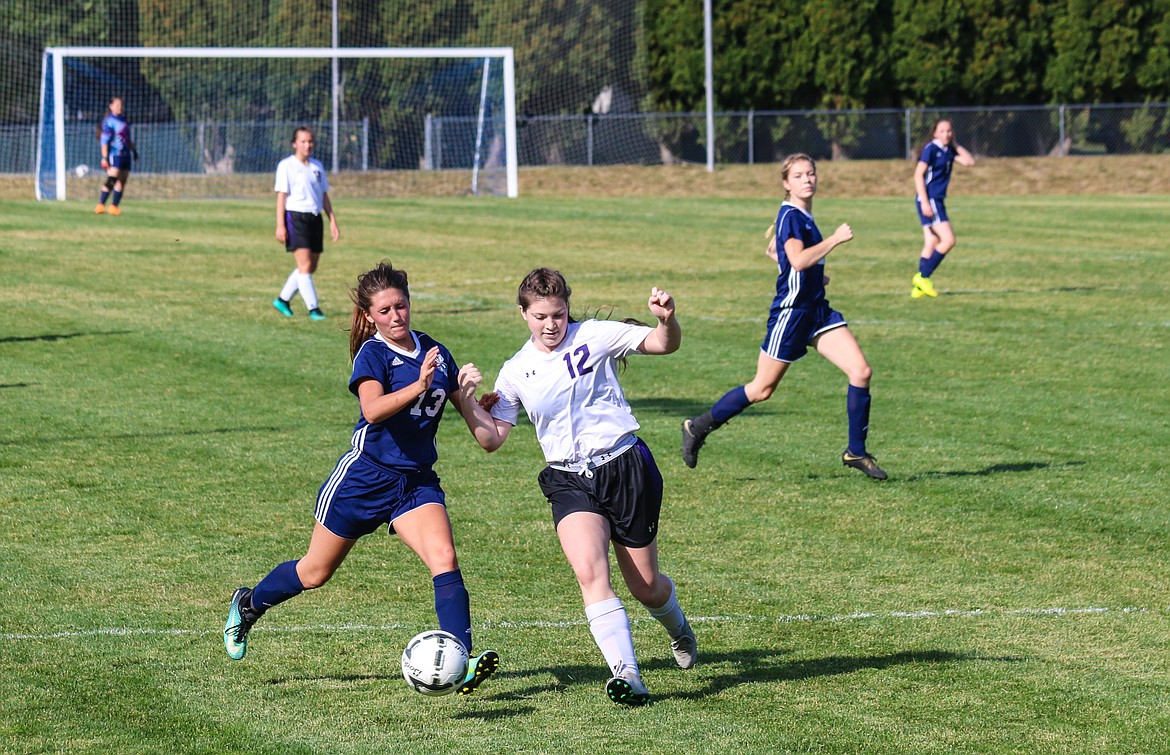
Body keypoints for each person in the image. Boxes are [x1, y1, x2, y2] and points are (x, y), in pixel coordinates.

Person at [224, 260, 500, 697]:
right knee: (315, 573)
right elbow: (372, 410)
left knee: (444, 558)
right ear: (370, 315)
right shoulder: (372, 353)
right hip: (363, 479)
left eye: (402, 306)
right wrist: (420, 384)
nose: (396, 316)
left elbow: (485, 438)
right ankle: (249, 604)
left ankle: (460, 660)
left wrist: (469, 395)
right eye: (385, 310)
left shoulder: (436, 352)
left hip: (415, 483)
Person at [465, 268, 695, 707]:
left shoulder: (595, 335)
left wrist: (666, 320)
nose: (551, 325)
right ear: (522, 314)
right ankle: (628, 674)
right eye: (540, 316)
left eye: (558, 314)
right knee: (590, 573)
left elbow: (664, 345)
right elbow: (492, 439)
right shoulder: (515, 371)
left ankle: (679, 629)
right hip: (568, 478)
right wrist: (466, 400)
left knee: (646, 587)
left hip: (624, 465)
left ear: (568, 307)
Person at [681, 153, 887, 480]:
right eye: (799, 175)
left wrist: (815, 277)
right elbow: (798, 260)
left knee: (861, 371)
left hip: (817, 310)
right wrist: (834, 239)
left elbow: (791, 260)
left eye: (811, 173)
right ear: (786, 183)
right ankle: (698, 426)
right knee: (762, 389)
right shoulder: (791, 215)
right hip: (791, 315)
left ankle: (856, 452)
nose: (807, 179)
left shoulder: (801, 215)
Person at [272, 126, 339, 321]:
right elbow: (281, 197)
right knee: (304, 266)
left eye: (310, 141)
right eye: (303, 141)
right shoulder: (286, 166)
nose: (307, 145)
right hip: (296, 217)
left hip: (315, 218)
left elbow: (324, 195)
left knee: (310, 266)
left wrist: (332, 220)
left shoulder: (317, 166)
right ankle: (314, 309)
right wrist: (280, 224)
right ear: (295, 144)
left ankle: (283, 300)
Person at [911, 118, 976, 298]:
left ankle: (918, 288)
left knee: (931, 241)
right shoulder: (931, 149)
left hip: (936, 200)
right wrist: (924, 201)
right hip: (930, 199)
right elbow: (918, 176)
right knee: (948, 240)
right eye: (942, 131)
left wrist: (955, 144)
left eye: (949, 131)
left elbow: (970, 162)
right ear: (935, 133)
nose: (946, 134)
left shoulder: (948, 150)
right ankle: (923, 277)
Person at [94, 96, 137, 216]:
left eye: (121, 105)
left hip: (125, 154)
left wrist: (134, 151)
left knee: (122, 181)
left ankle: (114, 207)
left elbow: (127, 138)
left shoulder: (124, 120)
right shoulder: (109, 121)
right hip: (115, 153)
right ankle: (101, 204)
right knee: (112, 179)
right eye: (117, 105)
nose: (120, 107)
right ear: (111, 106)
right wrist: (104, 157)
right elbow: (104, 140)